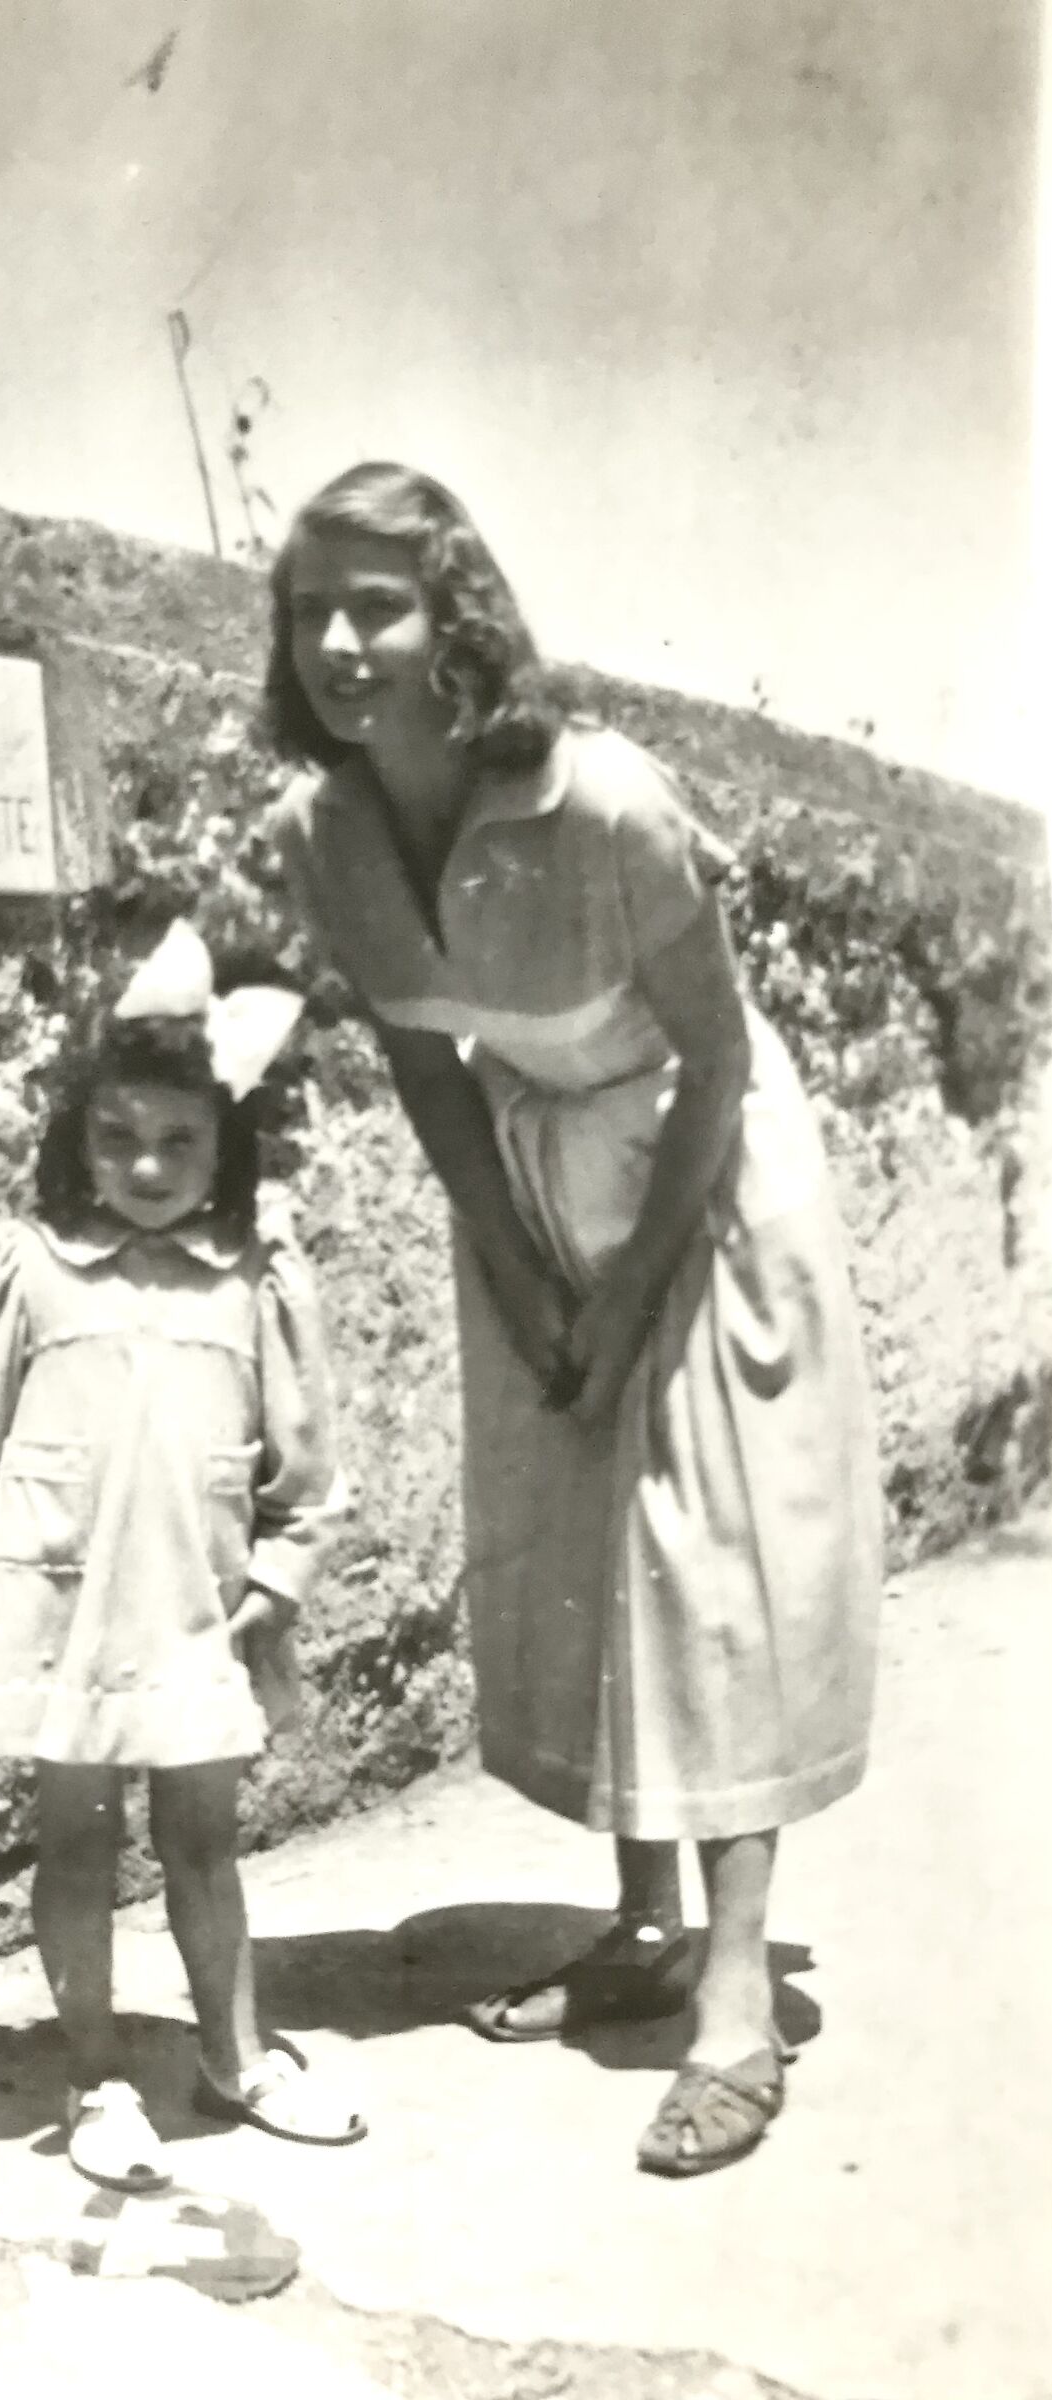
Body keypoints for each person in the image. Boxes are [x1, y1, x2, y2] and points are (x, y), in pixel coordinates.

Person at [267, 463, 882, 2178]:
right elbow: (422, 1068)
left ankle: (737, 1997)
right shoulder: (327, 836)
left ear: (453, 613)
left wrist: (625, 1303)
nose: (336, 642)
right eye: (310, 607)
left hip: (703, 1182)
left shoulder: (602, 802)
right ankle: (635, 1929)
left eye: (375, 603)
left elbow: (718, 1061)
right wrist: (529, 1276)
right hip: (531, 1188)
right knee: (583, 1554)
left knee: (710, 1566)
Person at [0, 919, 363, 2191]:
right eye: (117, 1137)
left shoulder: (254, 1280)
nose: (147, 1165)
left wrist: (279, 1584)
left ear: (223, 1151)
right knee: (77, 1842)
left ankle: (237, 2053)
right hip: (61, 1603)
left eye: (178, 1141)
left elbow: (307, 1467)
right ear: (76, 1139)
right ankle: (98, 2075)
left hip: (200, 1612)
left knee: (204, 1842)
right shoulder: (29, 1265)